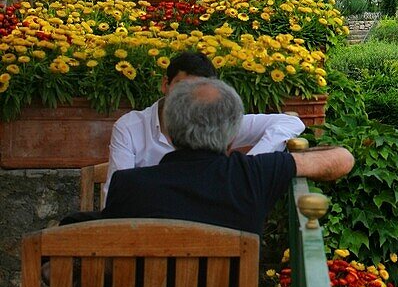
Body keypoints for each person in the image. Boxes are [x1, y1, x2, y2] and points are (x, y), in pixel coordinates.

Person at [102, 77, 354, 236]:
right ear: (233, 135)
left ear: (171, 128)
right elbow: (342, 159)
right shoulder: (253, 176)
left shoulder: (128, 185)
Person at [102, 51, 305, 202]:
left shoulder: (216, 123)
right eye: (183, 87)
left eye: (199, 90)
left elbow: (290, 122)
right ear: (165, 84)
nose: (190, 99)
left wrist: (249, 165)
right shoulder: (129, 127)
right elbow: (115, 196)